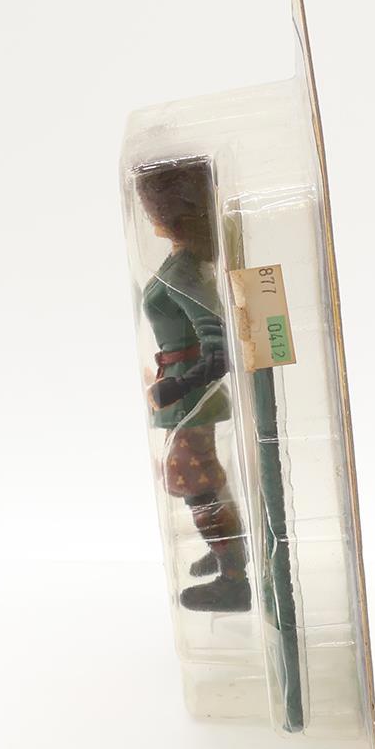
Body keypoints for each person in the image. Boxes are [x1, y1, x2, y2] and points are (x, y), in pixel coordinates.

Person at [135, 158, 251, 613]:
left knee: (194, 482)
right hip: (180, 391)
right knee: (198, 480)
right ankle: (226, 551)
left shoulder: (183, 271)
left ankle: (233, 578)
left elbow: (218, 349)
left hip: (190, 398)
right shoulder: (178, 261)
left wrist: (177, 387)